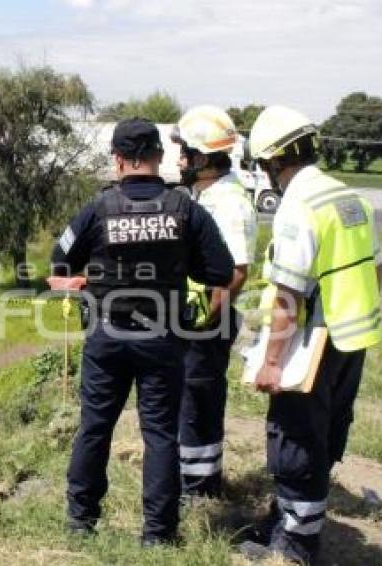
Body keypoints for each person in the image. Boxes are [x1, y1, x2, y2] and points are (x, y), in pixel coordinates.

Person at [49, 118, 234, 545]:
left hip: (107, 335)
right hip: (163, 339)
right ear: (157, 156)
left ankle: (81, 522)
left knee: (95, 426)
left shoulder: (99, 208)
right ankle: (158, 534)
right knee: (160, 434)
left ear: (117, 159)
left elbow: (60, 261)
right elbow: (221, 271)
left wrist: (88, 277)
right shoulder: (186, 209)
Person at [239, 106, 382, 565]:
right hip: (351, 336)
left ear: (270, 163)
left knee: (295, 437)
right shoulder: (350, 197)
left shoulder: (298, 208)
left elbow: (288, 296)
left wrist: (272, 361)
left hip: (312, 343)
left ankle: (296, 545)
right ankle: (286, 519)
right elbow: (377, 267)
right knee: (326, 431)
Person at [170, 106, 258, 497]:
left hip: (207, 322)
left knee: (198, 405)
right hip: (196, 318)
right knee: (188, 402)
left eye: (185, 153)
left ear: (203, 158)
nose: (179, 160)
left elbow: (237, 272)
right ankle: (191, 478)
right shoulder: (207, 195)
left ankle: (200, 489)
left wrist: (203, 321)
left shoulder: (227, 203)